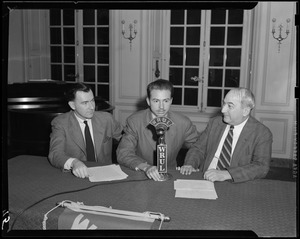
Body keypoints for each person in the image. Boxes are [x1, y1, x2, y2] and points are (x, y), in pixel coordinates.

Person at [181, 87, 273, 183]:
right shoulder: (215, 123)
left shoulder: (262, 133)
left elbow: (261, 167)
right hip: (206, 178)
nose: (223, 110)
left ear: (245, 111)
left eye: (230, 106)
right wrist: (190, 164)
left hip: (236, 183)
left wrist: (227, 174)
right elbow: (198, 148)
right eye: (224, 103)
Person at [117, 79, 199, 181]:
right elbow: (123, 153)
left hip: (170, 175)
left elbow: (198, 146)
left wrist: (190, 164)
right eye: (156, 101)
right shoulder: (135, 121)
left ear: (171, 101)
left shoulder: (183, 122)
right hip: (140, 174)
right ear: (148, 101)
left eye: (165, 101)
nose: (161, 107)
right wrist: (146, 167)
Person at [48, 83, 123, 178]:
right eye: (85, 103)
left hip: (105, 175)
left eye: (92, 101)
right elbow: (55, 154)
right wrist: (74, 162)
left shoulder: (106, 119)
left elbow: (126, 140)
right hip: (76, 177)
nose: (92, 107)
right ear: (72, 105)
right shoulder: (60, 123)